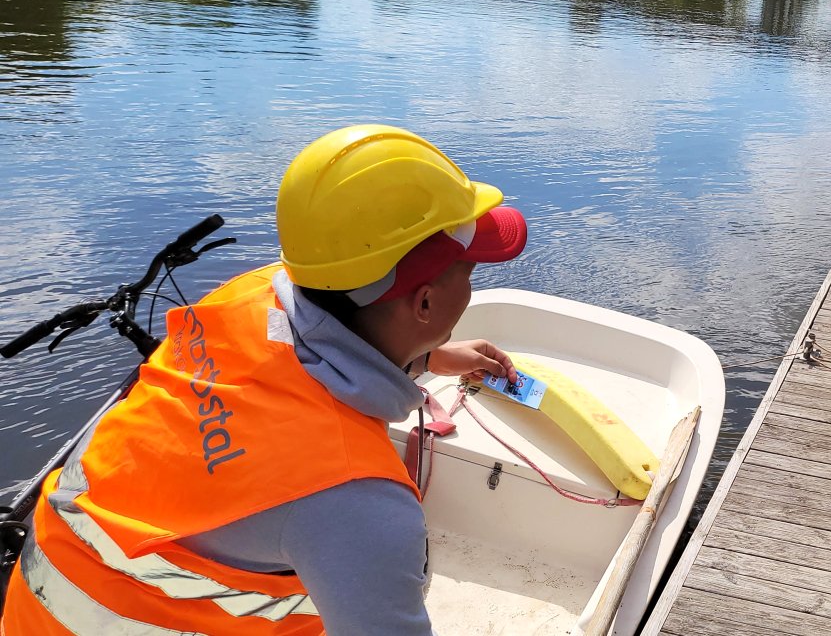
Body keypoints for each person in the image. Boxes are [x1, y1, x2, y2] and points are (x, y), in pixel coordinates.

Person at [2, 124, 529, 635]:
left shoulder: (248, 295)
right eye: (470, 271)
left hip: (36, 604)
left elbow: (312, 344)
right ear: (426, 301)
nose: (471, 282)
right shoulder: (358, 502)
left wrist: (426, 356)